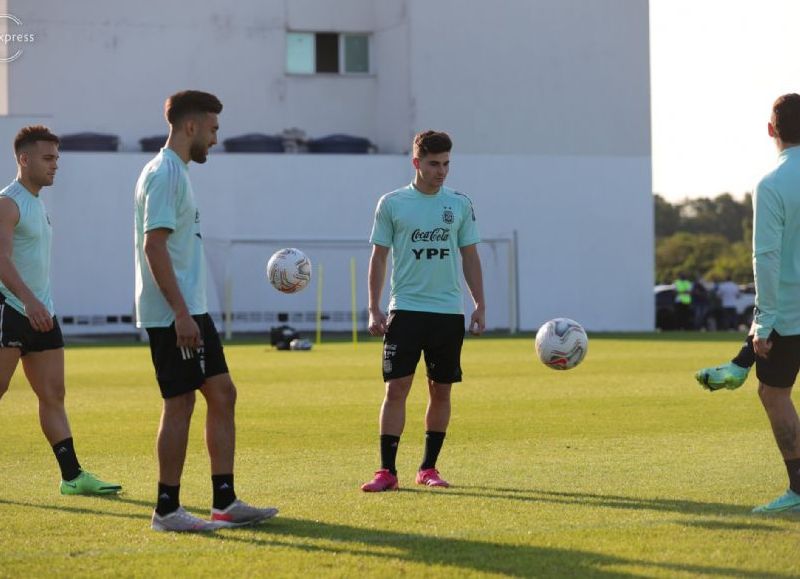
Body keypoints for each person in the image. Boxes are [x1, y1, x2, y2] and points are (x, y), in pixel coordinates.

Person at [135, 90, 278, 531]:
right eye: (213, 129)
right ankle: (167, 509)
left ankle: (224, 501)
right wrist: (180, 313)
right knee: (179, 403)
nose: (216, 139)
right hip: (173, 313)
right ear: (190, 127)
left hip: (191, 310)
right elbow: (154, 246)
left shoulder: (177, 172)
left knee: (222, 393)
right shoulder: (165, 175)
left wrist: (189, 310)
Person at [361, 130, 485, 492]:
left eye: (446, 164)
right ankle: (386, 471)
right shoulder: (392, 203)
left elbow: (470, 257)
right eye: (434, 164)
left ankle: (428, 468)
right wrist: (373, 307)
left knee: (441, 391)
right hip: (407, 310)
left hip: (448, 313)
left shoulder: (460, 204)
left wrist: (480, 303)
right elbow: (378, 257)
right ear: (416, 163)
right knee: (396, 388)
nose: (441, 171)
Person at [0, 126, 121, 495]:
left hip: (42, 313)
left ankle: (72, 476)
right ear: (23, 159)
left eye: (57, 158)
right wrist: (29, 301)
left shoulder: (37, 202)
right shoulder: (8, 202)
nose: (55, 165)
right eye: (47, 158)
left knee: (54, 394)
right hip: (12, 309)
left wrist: (41, 305)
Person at [699, 94, 800, 513]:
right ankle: (738, 363)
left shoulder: (772, 183)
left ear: (771, 130)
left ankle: (799, 492)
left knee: (774, 393)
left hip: (791, 314)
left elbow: (767, 257)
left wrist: (763, 322)